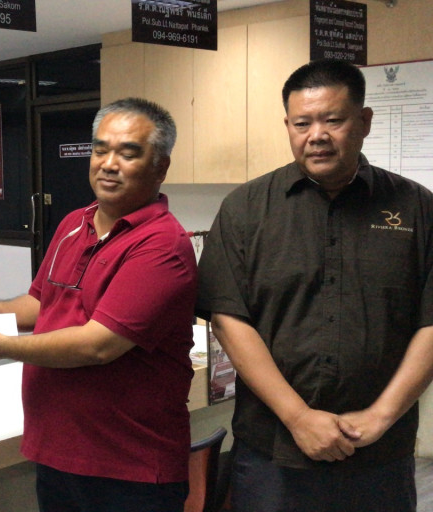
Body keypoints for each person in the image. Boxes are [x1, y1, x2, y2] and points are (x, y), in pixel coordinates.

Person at [196, 58, 433, 512]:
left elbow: (431, 321)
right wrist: (298, 417)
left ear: (364, 121)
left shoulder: (417, 209)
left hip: (380, 455)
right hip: (272, 452)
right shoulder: (246, 209)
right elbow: (228, 318)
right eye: (302, 123)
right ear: (288, 126)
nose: (317, 135)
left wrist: (380, 416)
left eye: (333, 120)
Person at [0, 97, 197, 512]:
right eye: (100, 149)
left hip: (128, 466)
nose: (108, 164)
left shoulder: (163, 246)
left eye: (128, 153)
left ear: (160, 166)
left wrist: (0, 346)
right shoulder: (73, 223)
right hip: (59, 451)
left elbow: (98, 345)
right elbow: (42, 303)